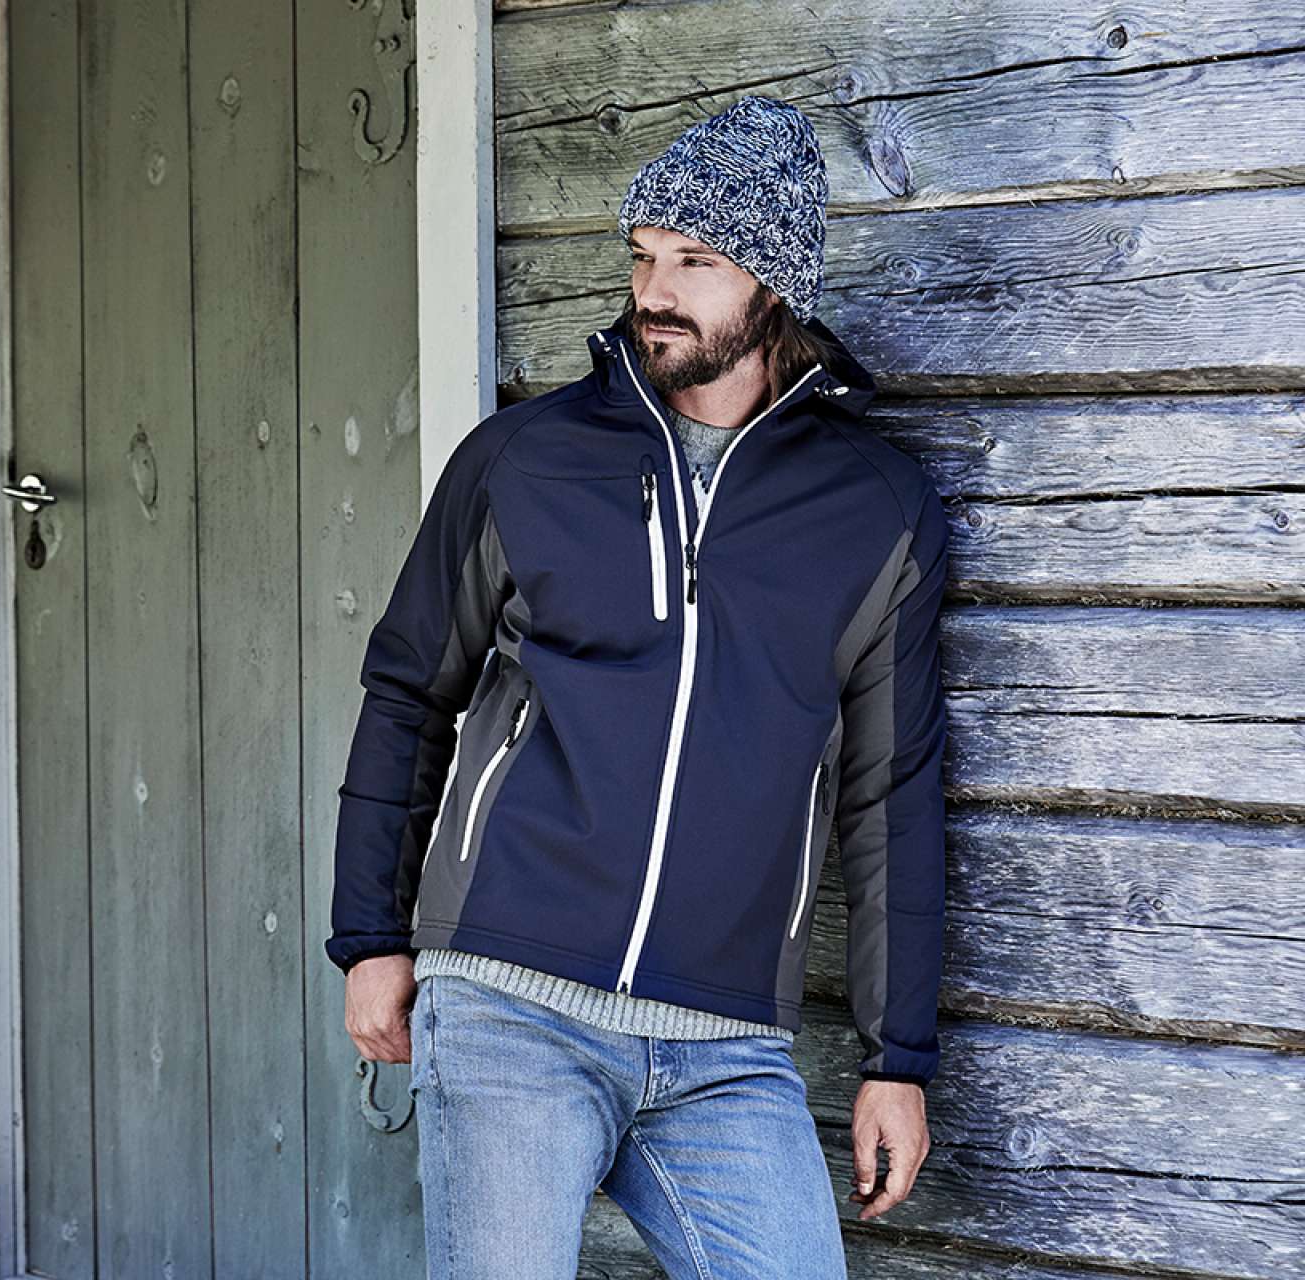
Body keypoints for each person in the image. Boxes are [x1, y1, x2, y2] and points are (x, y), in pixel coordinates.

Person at [326, 94, 949, 1279]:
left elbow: (892, 790)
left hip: (726, 1046)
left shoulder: (877, 511)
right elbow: (409, 687)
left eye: (695, 261)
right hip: (509, 1004)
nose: (655, 290)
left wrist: (897, 1058)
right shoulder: (523, 459)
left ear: (774, 285)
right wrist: (370, 934)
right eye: (644, 255)